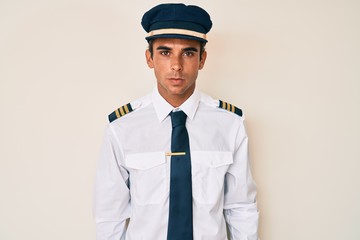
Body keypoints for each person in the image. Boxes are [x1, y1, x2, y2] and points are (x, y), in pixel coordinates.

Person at [94, 3, 259, 240]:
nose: (176, 66)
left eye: (189, 53)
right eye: (165, 52)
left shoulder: (229, 124)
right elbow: (110, 217)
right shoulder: (122, 128)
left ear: (202, 59)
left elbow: (241, 208)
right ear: (149, 58)